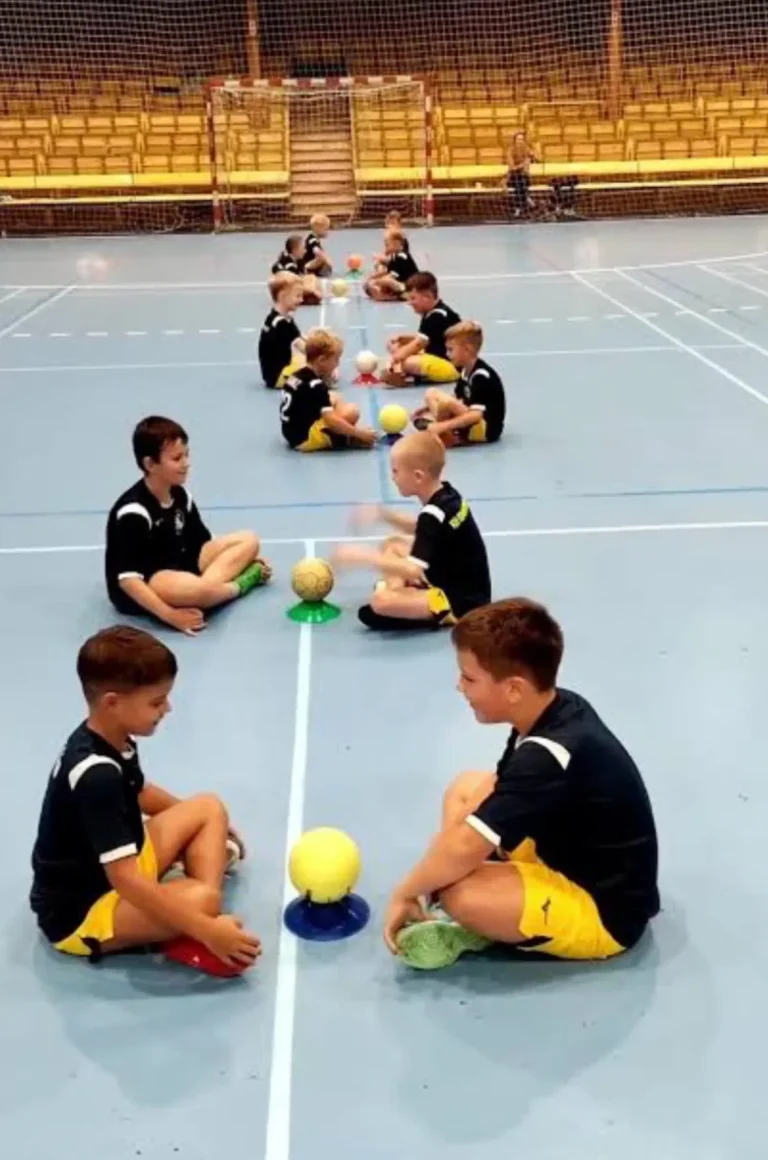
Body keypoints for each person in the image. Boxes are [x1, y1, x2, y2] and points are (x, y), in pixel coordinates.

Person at [383, 597, 660, 969]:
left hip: (604, 912)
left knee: (460, 893)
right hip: (561, 850)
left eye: (469, 678)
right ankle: (484, 901)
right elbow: (498, 788)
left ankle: (478, 925)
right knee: (465, 788)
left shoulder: (549, 753)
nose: (459, 687)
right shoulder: (556, 706)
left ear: (513, 689)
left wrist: (407, 892)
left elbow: (468, 843)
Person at [29, 625, 262, 974]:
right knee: (206, 901)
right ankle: (193, 918)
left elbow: (139, 792)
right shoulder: (96, 775)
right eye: (156, 702)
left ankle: (184, 906)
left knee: (209, 807)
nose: (167, 708)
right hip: (85, 909)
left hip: (126, 862)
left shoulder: (112, 736)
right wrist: (210, 932)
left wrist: (202, 826)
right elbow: (125, 880)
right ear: (112, 702)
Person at [105, 416, 269, 635]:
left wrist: (233, 557)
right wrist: (170, 616)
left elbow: (203, 543)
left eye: (187, 455)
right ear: (150, 464)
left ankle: (206, 592)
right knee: (201, 589)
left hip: (182, 564)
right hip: (151, 580)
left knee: (249, 539)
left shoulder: (180, 494)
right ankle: (241, 584)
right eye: (176, 458)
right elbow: (128, 580)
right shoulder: (134, 512)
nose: (186, 463)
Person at [333, 431, 490, 630]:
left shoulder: (432, 513)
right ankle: (404, 595)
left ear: (417, 476)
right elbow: (425, 531)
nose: (392, 477)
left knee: (379, 604)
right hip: (459, 582)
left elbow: (413, 569)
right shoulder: (448, 494)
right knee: (393, 544)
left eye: (396, 471)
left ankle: (417, 604)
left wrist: (362, 557)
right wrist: (383, 514)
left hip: (461, 603)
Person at [280, 328, 376, 452]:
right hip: (306, 439)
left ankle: (343, 431)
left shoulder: (296, 375)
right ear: (322, 360)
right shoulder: (316, 385)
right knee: (352, 411)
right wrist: (359, 433)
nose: (337, 364)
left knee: (334, 397)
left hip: (291, 433)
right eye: (335, 359)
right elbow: (331, 421)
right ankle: (344, 438)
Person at [412, 321, 506, 446]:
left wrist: (441, 426)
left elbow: (475, 416)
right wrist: (426, 409)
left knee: (446, 403)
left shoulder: (480, 376)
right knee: (431, 393)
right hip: (472, 420)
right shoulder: (465, 370)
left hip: (486, 430)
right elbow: (457, 397)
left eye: (451, 350)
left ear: (467, 350)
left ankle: (445, 432)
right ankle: (443, 428)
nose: (447, 354)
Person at [381, 272, 461, 387]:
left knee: (408, 362)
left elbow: (418, 344)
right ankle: (405, 372)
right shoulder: (432, 312)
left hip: (451, 367)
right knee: (396, 345)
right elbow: (432, 337)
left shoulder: (436, 316)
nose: (410, 303)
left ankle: (408, 378)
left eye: (413, 298)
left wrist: (394, 360)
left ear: (427, 296)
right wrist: (402, 339)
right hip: (438, 357)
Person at [259, 270, 305, 389]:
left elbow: (301, 337)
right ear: (283, 296)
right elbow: (305, 348)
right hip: (278, 377)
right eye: (297, 296)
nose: (301, 300)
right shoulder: (281, 323)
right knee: (313, 369)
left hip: (276, 373)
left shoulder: (278, 317)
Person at [365, 229, 419, 302]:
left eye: (387, 245)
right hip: (402, 283)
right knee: (373, 283)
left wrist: (378, 281)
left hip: (411, 287)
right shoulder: (394, 256)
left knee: (386, 281)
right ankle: (389, 294)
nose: (385, 248)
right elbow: (389, 270)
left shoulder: (402, 255)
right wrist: (373, 277)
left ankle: (403, 294)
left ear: (396, 243)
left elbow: (393, 274)